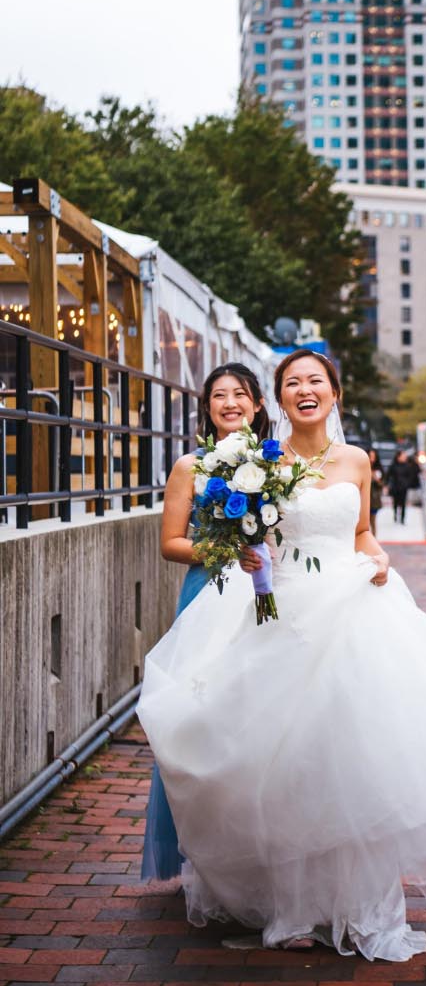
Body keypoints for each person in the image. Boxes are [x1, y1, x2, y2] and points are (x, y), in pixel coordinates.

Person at [137, 349, 426, 959]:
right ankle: (289, 905)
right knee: (282, 761)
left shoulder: (358, 460)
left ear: (334, 393)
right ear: (278, 400)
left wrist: (380, 555)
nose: (304, 390)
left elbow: (363, 529)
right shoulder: (258, 461)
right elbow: (244, 535)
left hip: (353, 615)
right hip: (279, 613)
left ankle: (354, 903)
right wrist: (245, 556)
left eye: (315, 381)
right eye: (293, 383)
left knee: (353, 757)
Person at [141, 362, 272, 883]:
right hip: (209, 592)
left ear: (258, 404)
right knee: (202, 716)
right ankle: (202, 847)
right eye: (219, 395)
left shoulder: (278, 465)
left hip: (267, 592)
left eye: (239, 394)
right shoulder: (189, 467)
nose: (230, 403)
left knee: (261, 713)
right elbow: (171, 543)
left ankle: (255, 843)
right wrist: (223, 551)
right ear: (208, 408)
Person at [385, 449, 418, 524]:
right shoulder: (393, 465)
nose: (404, 457)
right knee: (395, 502)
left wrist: (407, 484)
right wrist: (387, 485)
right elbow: (388, 475)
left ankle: (402, 518)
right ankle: (395, 515)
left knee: (403, 503)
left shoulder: (407, 466)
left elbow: (411, 476)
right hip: (395, 487)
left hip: (404, 487)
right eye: (403, 456)